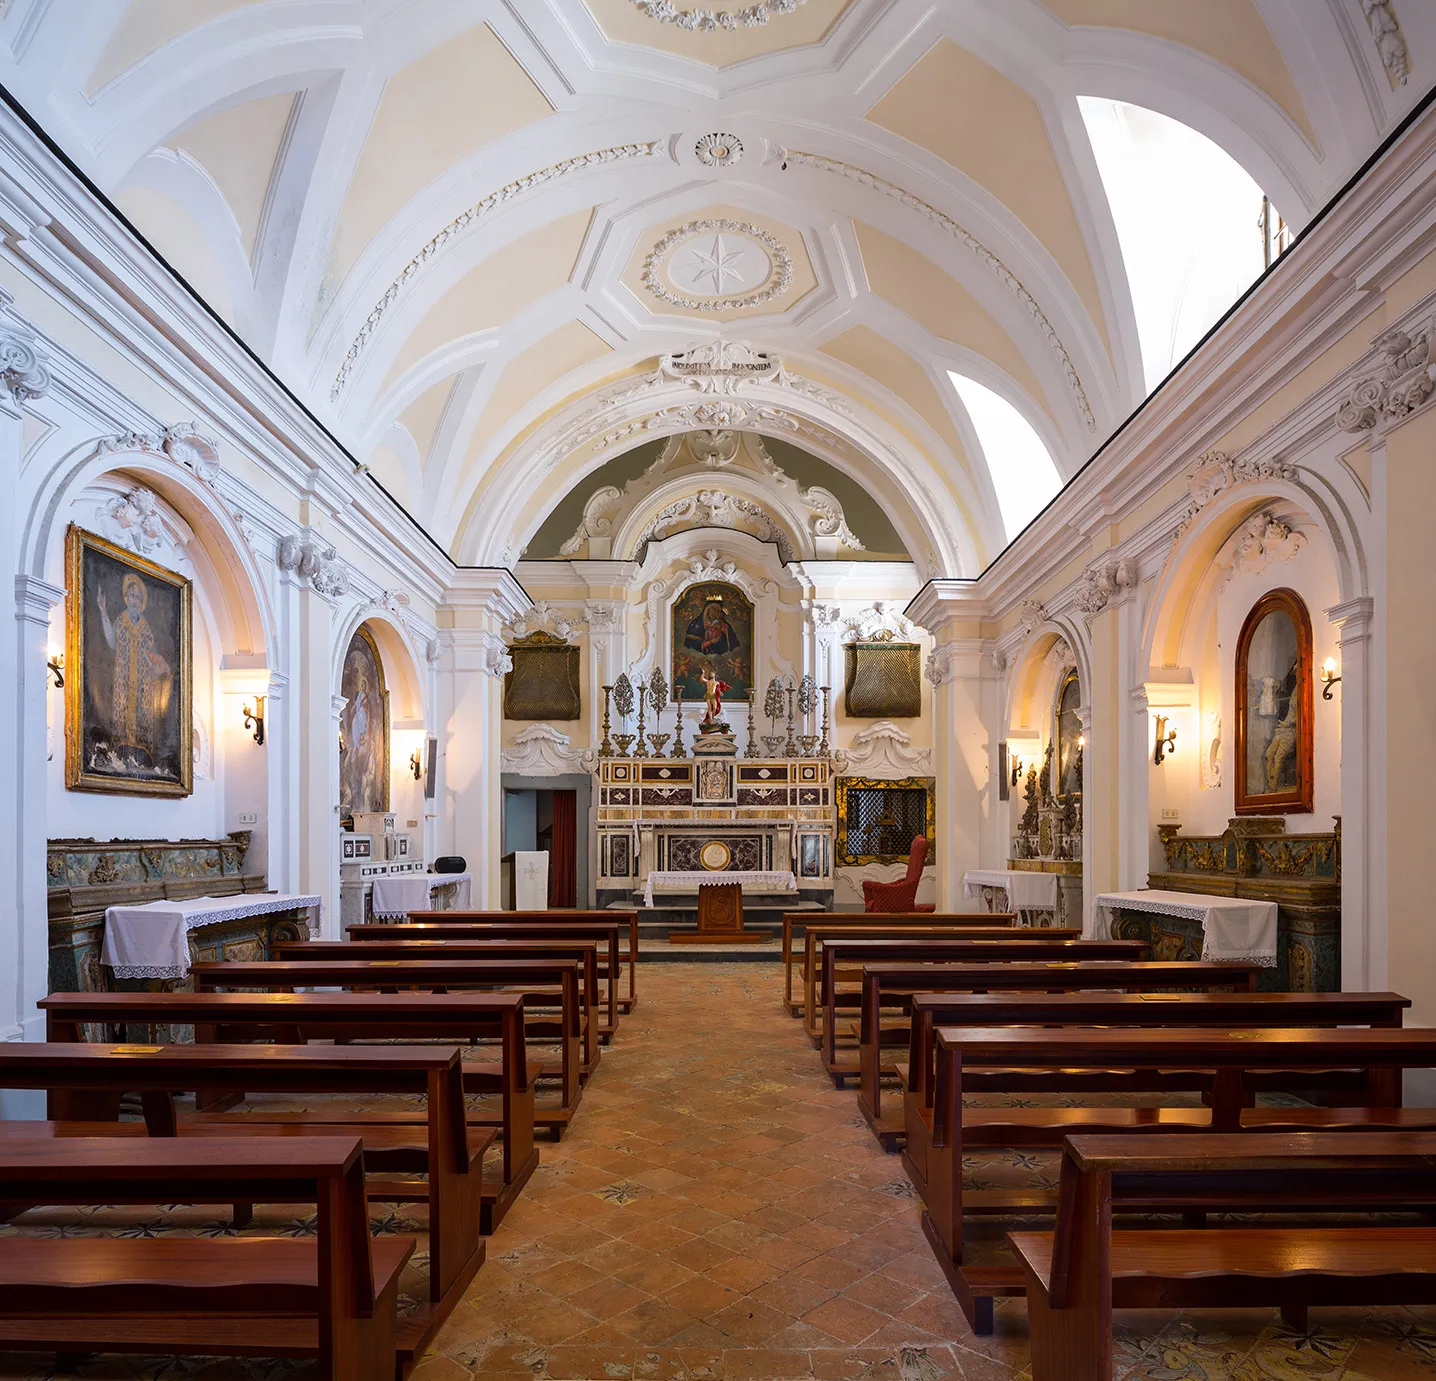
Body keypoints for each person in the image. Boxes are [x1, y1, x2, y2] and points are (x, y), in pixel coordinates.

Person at [95, 572, 171, 766]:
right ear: (126, 599)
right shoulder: (121, 620)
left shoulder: (145, 627)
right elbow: (112, 641)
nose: (134, 601)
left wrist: (157, 666)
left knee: (141, 712)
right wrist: (103, 612)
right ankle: (121, 750)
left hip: (142, 681)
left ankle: (141, 751)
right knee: (122, 709)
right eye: (131, 597)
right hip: (124, 676)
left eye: (137, 597)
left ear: (141, 600)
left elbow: (151, 653)